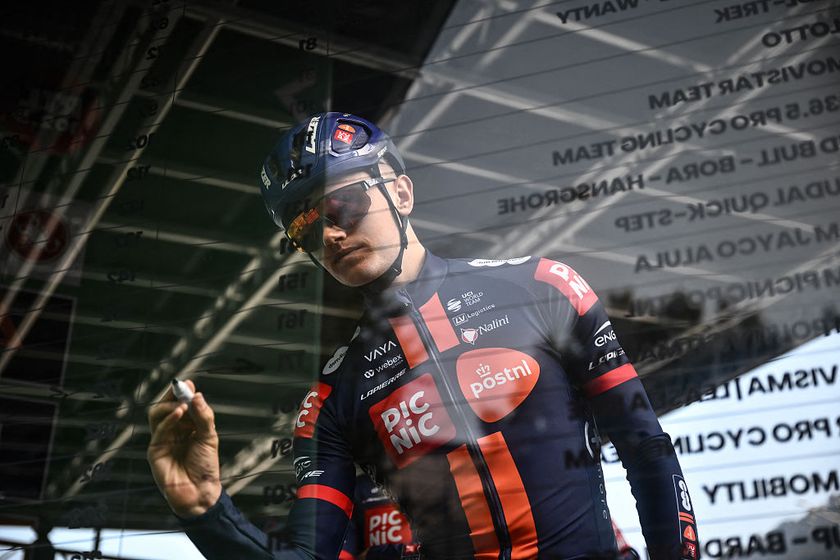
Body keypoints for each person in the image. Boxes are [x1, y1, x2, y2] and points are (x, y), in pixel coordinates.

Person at [147, 112, 700, 559]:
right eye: (305, 228)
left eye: (344, 204)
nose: (332, 232)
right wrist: (205, 508)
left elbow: (645, 447)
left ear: (402, 194)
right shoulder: (331, 399)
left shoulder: (542, 286)